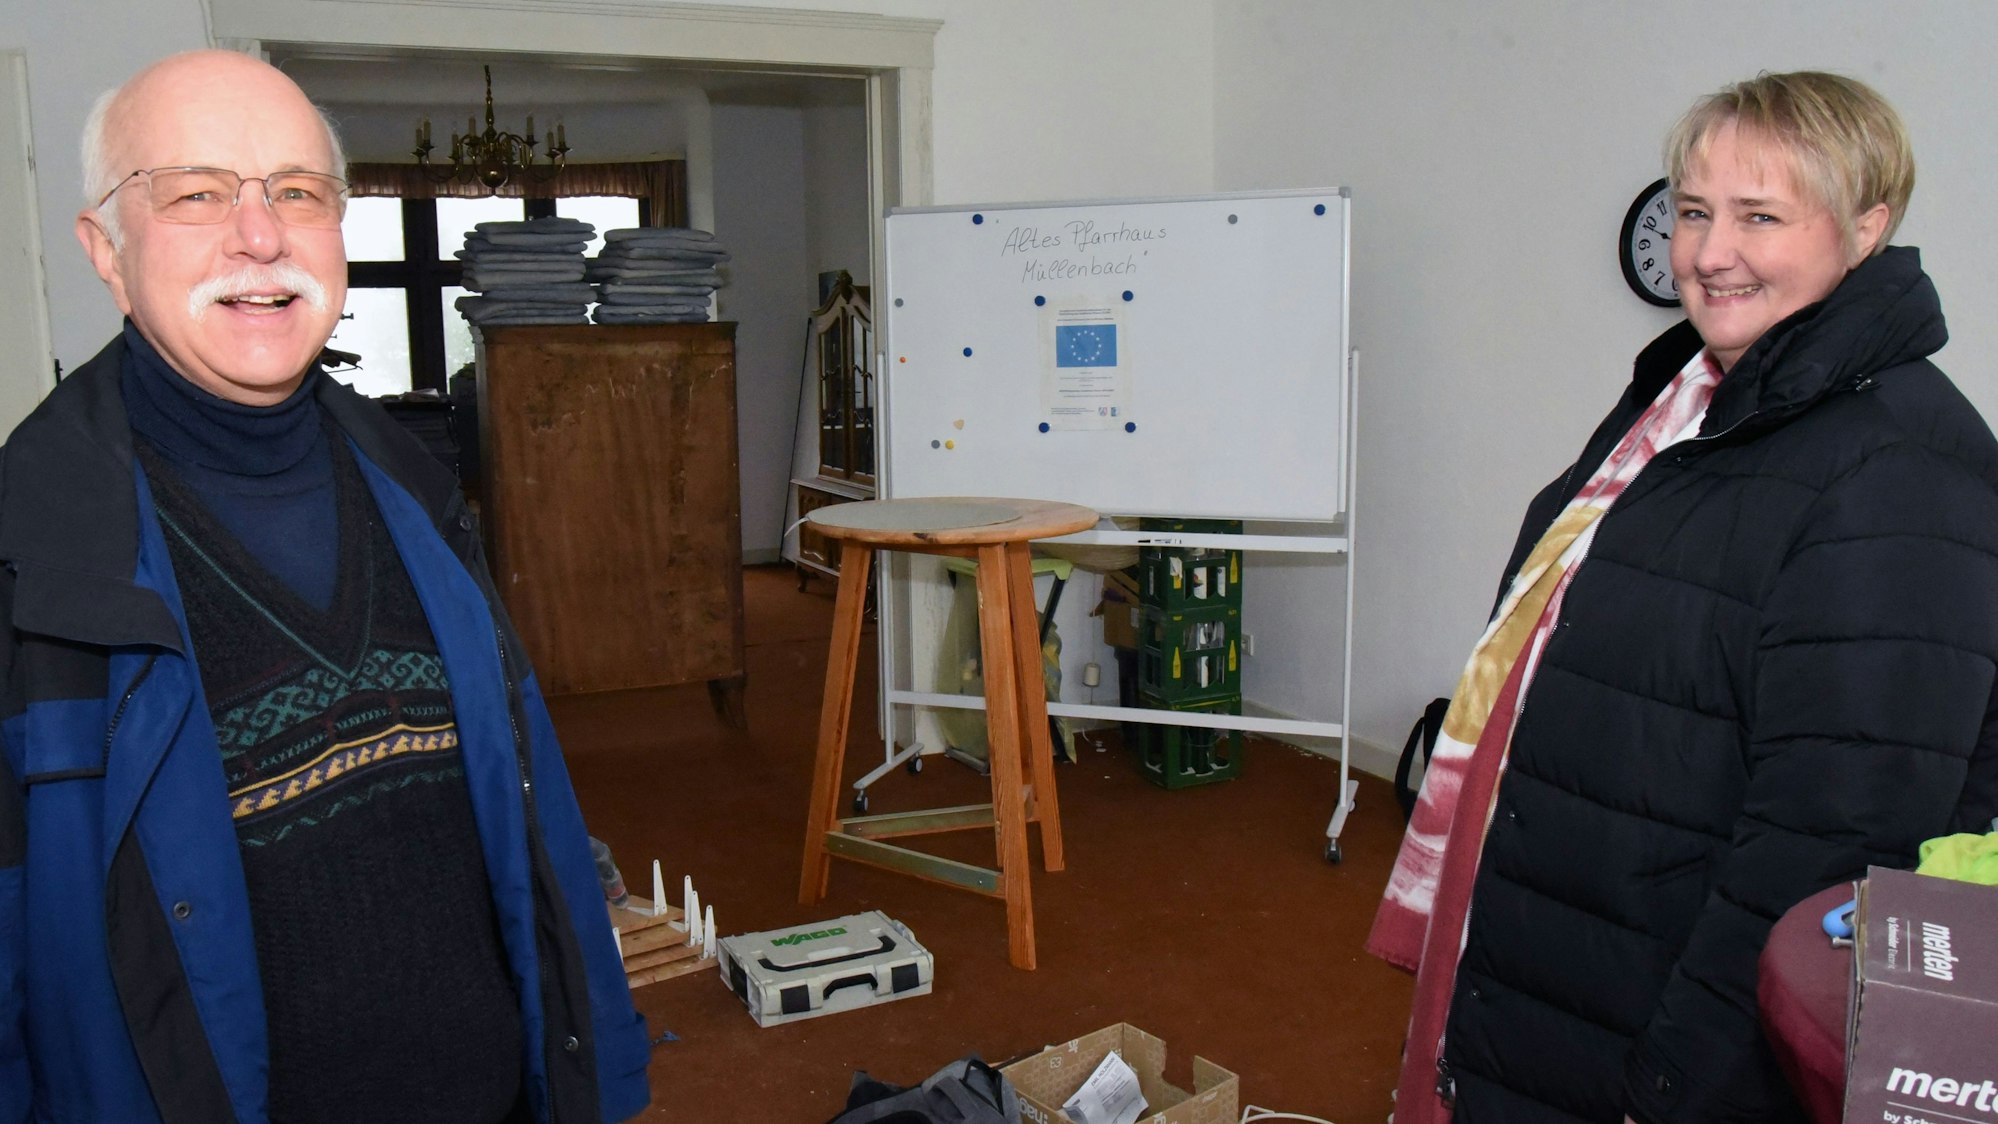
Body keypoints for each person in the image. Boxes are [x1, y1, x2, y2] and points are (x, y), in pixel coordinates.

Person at [0, 49, 650, 1122]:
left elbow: (534, 834)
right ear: (104, 249)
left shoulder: (424, 497)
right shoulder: (34, 563)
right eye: (197, 192)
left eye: (298, 192)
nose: (260, 235)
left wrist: (599, 1075)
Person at [1371, 70, 1998, 1122]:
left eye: (1761, 215)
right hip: (1576, 936)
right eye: (1696, 211)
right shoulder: (1695, 391)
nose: (1710, 253)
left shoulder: (1902, 471)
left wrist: (1678, 1081)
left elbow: (1833, 837)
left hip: (1663, 1017)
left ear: (1867, 224)